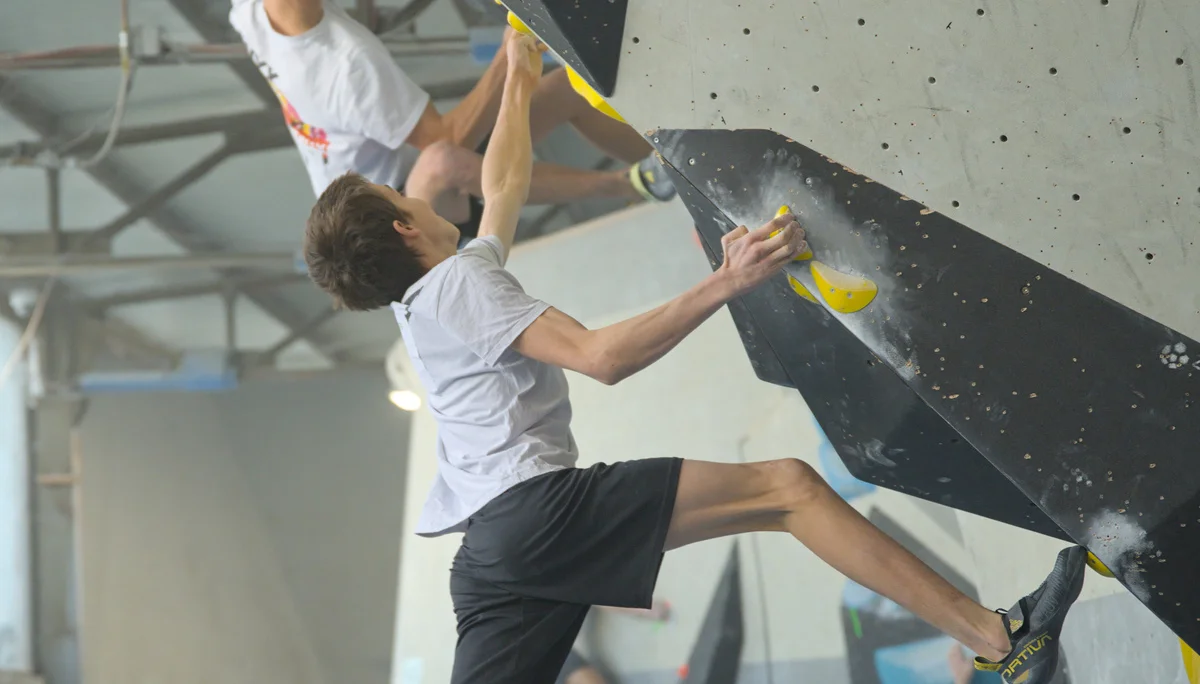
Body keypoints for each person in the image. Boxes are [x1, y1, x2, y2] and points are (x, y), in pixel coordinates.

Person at [302, 34, 1087, 684]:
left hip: (488, 561)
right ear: (407, 227)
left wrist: (519, 68)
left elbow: (503, 182)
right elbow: (599, 357)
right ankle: (1000, 642)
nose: (416, 196)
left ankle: (1000, 644)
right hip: (532, 515)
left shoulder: (426, 306)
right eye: (404, 199)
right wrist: (728, 279)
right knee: (788, 490)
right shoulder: (461, 287)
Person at [229, 0, 675, 244]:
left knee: (561, 90)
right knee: (445, 160)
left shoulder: (247, 10)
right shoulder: (349, 66)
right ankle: (630, 184)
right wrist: (510, 50)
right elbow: (447, 138)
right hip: (387, 214)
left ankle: (674, 162)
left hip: (379, 167)